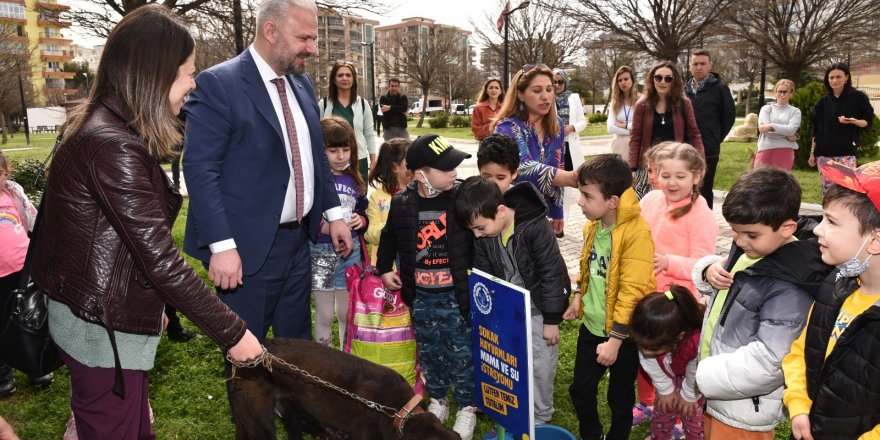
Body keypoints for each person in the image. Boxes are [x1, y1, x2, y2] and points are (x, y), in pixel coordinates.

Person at [29, 6, 263, 439]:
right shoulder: (113, 146)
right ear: (153, 76)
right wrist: (234, 335)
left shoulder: (102, 126)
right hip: (102, 331)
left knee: (133, 427)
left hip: (97, 317)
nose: (193, 85)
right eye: (187, 73)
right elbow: (161, 261)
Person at [183, 0, 351, 347]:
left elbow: (313, 155)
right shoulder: (218, 84)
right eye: (304, 38)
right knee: (247, 359)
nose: (314, 49)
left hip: (297, 243)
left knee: (298, 351)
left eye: (314, 39)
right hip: (246, 252)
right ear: (270, 31)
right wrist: (222, 247)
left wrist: (334, 215)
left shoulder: (301, 83)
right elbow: (200, 170)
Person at [691, 167, 833, 439]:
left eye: (750, 234)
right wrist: (709, 270)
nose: (739, 240)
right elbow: (727, 287)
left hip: (743, 408)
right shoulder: (752, 247)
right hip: (721, 392)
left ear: (787, 228)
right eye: (734, 231)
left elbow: (770, 361)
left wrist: (703, 376)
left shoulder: (791, 285)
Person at [375, 135, 477, 440]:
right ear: (420, 174)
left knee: (461, 353)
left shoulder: (461, 198)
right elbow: (390, 238)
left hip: (455, 296)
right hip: (421, 298)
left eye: (455, 167)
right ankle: (438, 398)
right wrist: (383, 269)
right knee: (431, 351)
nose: (454, 173)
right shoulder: (402, 203)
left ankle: (468, 407)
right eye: (446, 169)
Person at [454, 176, 570, 424]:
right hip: (509, 307)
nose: (476, 235)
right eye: (472, 230)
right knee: (508, 360)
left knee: (540, 362)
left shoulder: (536, 227)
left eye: (480, 228)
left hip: (539, 307)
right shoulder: (486, 234)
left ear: (500, 211)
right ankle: (513, 409)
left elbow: (552, 274)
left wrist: (551, 319)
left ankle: (540, 416)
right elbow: (484, 275)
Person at [783, 158, 880, 440]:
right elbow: (801, 350)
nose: (816, 229)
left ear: (875, 240)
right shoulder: (834, 286)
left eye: (832, 221)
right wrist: (798, 403)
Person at [563, 154, 655, 440]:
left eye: (587, 196)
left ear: (613, 201)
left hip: (623, 336)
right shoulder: (593, 225)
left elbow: (633, 291)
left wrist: (615, 340)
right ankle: (593, 435)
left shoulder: (636, 234)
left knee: (620, 398)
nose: (580, 202)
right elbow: (587, 266)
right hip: (591, 327)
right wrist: (579, 295)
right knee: (580, 391)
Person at [634, 141, 717, 425]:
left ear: (697, 176)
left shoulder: (701, 215)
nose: (671, 183)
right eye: (665, 175)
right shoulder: (649, 201)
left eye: (680, 176)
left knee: (678, 358)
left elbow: (704, 264)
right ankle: (647, 402)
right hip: (648, 295)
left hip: (679, 302)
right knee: (647, 349)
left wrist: (669, 262)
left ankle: (682, 413)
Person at [494, 64, 579, 237]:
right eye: (537, 90)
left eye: (549, 89)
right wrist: (572, 178)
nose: (545, 96)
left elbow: (559, 165)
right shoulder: (508, 126)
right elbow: (523, 167)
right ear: (520, 94)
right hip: (514, 215)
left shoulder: (557, 126)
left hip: (543, 214)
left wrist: (557, 211)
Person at [311, 116, 368, 348]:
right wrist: (322, 227)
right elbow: (305, 215)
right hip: (321, 253)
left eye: (346, 149)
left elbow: (364, 213)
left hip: (349, 253)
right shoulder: (314, 180)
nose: (340, 156)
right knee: (324, 315)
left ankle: (346, 360)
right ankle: (325, 362)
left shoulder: (354, 179)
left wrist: (360, 221)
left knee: (347, 313)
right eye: (332, 150)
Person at [0, 150, 52, 398]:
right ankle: (3, 372)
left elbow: (32, 221)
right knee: (1, 322)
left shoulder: (14, 194)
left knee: (28, 316)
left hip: (22, 271)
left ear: (7, 172)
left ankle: (34, 363)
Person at [629, 285, 706, 440]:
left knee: (692, 415)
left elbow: (695, 371)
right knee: (663, 408)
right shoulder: (648, 333)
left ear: (679, 336)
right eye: (642, 346)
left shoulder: (695, 342)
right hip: (669, 375)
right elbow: (649, 362)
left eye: (653, 348)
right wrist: (665, 390)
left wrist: (689, 395)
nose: (646, 352)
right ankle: (659, 436)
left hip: (694, 381)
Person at [630, 61, 704, 199]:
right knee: (648, 205)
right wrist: (632, 168)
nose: (662, 82)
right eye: (658, 77)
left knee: (674, 202)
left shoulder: (684, 103)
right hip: (649, 165)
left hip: (675, 163)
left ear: (674, 82)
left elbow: (694, 134)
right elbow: (635, 137)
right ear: (652, 79)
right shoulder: (642, 104)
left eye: (668, 78)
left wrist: (700, 164)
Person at [809, 63, 874, 193]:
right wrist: (812, 153)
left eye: (838, 77)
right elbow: (816, 131)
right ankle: (827, 214)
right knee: (828, 192)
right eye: (831, 77)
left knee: (846, 192)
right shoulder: (822, 103)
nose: (834, 80)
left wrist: (853, 121)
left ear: (846, 78)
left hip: (847, 153)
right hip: (824, 156)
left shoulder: (859, 98)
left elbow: (867, 122)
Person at [685, 49, 735, 209]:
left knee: (704, 189)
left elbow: (728, 117)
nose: (699, 67)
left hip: (709, 149)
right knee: (684, 187)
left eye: (702, 64)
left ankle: (705, 228)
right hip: (685, 148)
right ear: (690, 66)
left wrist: (715, 137)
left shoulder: (720, 88)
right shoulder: (683, 90)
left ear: (710, 65)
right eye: (695, 64)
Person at [318, 61, 377, 179]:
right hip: (331, 163)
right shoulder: (324, 104)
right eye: (340, 75)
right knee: (333, 196)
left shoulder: (363, 105)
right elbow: (317, 134)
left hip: (358, 161)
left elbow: (369, 134)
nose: (344, 78)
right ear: (334, 80)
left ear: (354, 79)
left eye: (348, 75)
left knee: (358, 196)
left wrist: (373, 160)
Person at [364, 138, 411, 264]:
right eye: (410, 161)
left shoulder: (419, 192)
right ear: (395, 168)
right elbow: (370, 233)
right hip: (388, 267)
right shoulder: (377, 197)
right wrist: (394, 228)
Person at [755, 79, 801, 170]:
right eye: (780, 91)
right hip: (765, 149)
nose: (782, 94)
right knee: (760, 180)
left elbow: (791, 130)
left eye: (785, 92)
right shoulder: (766, 109)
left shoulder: (795, 111)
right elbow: (763, 129)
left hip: (785, 151)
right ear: (775, 92)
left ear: (791, 93)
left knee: (781, 181)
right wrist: (785, 133)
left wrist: (770, 126)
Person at [554, 68, 587, 172]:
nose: (557, 85)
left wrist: (572, 127)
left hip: (570, 144)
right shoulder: (547, 98)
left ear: (566, 82)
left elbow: (583, 122)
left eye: (561, 82)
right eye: (554, 82)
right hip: (554, 145)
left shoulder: (574, 98)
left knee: (571, 177)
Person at [607, 66, 639, 160]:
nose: (623, 82)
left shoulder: (641, 100)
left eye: (626, 79)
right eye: (620, 80)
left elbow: (643, 125)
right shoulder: (615, 102)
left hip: (637, 143)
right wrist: (631, 130)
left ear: (632, 80)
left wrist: (624, 125)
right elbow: (610, 127)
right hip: (619, 144)